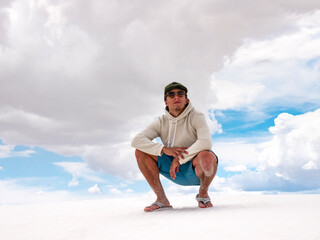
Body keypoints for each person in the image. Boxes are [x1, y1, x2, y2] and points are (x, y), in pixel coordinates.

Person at [131, 82, 218, 212]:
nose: (176, 97)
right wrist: (163, 149)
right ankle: (162, 199)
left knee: (207, 155)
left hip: (196, 169)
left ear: (186, 99)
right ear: (166, 102)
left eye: (180, 94)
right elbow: (136, 140)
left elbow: (206, 142)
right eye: (171, 95)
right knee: (140, 151)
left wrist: (179, 159)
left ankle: (203, 195)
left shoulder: (196, 116)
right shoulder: (160, 121)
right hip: (172, 171)